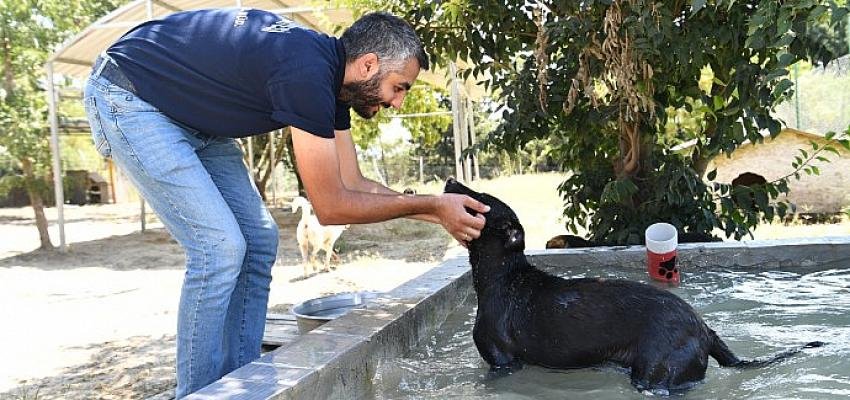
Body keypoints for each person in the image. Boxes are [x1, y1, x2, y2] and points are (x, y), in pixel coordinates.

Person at [82, 8, 489, 398]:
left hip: (194, 119)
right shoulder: (306, 73)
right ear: (368, 65)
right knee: (219, 247)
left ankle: (242, 384)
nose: (398, 102)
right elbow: (331, 205)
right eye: (399, 87)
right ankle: (201, 394)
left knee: (259, 240)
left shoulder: (332, 85)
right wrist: (433, 206)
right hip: (132, 96)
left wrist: (434, 209)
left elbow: (354, 182)